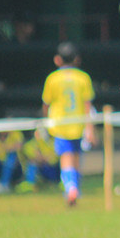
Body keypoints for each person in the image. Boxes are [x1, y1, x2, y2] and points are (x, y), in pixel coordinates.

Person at [42, 41, 95, 206]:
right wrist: (90, 128)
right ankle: (75, 190)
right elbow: (88, 105)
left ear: (57, 60)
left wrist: (46, 122)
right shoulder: (83, 78)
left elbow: (46, 104)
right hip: (79, 124)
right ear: (77, 59)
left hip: (60, 125)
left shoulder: (52, 79)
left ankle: (71, 190)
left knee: (66, 160)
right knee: (76, 159)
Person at [15, 127, 61, 193]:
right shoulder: (32, 143)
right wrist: (40, 157)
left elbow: (53, 160)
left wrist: (41, 157)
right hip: (42, 169)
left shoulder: (52, 142)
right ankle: (30, 184)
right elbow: (27, 152)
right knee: (32, 162)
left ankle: (62, 182)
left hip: (53, 170)